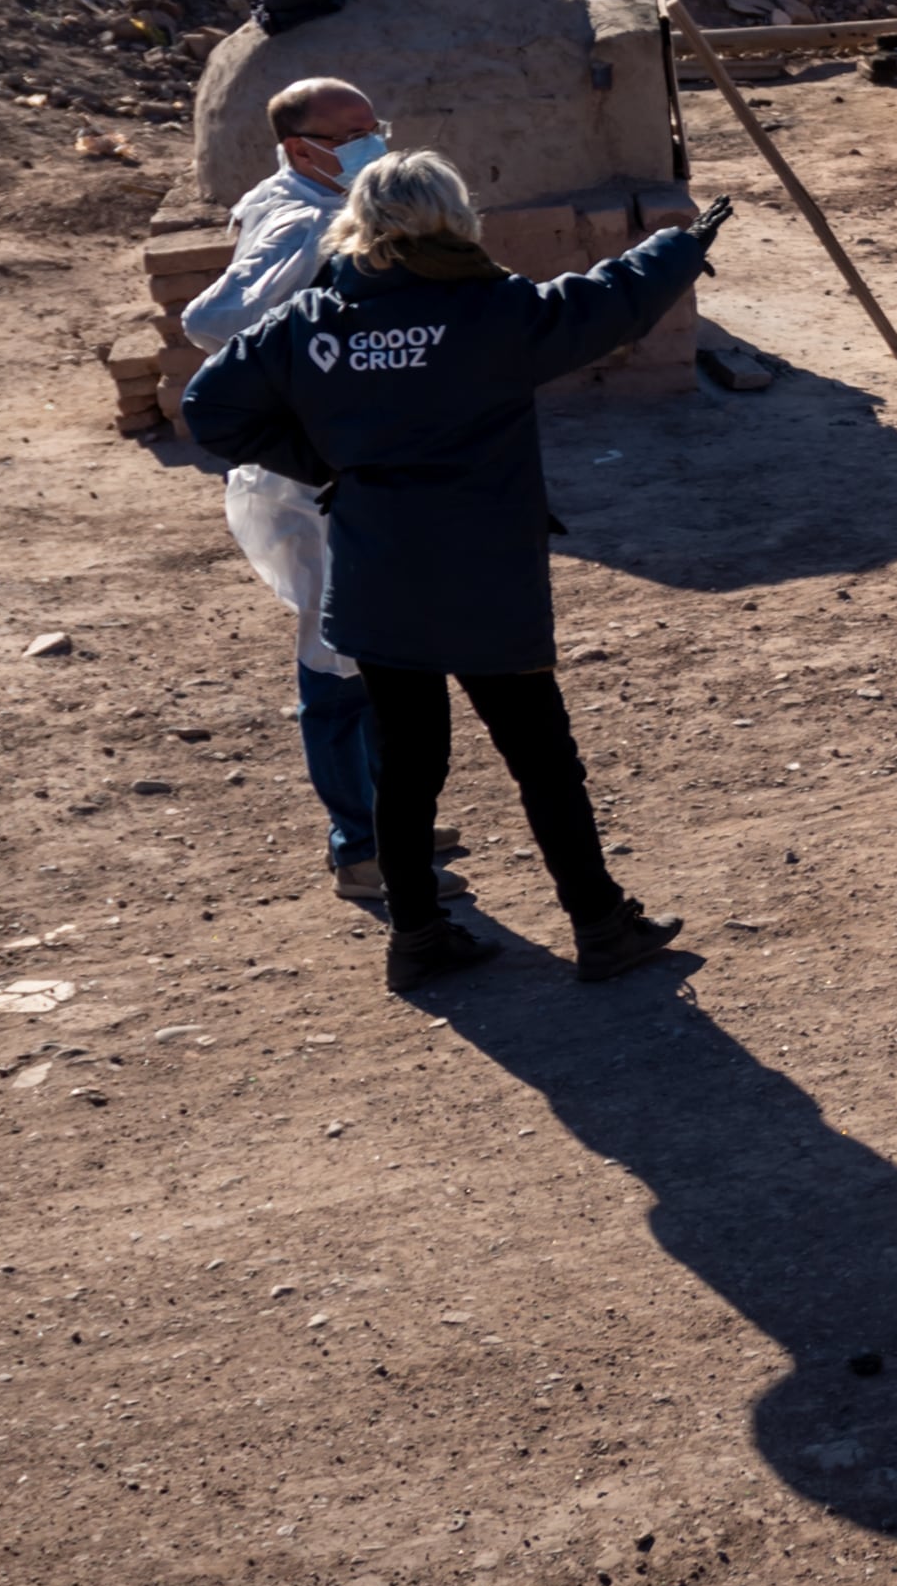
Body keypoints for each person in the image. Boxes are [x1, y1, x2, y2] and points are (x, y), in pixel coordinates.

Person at [182, 149, 722, 990]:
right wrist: (680, 246)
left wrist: (330, 462)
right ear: (454, 217)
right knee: (541, 757)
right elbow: (605, 304)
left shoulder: (316, 320)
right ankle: (600, 923)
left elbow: (209, 407)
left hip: (378, 567)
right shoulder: (488, 310)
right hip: (482, 571)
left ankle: (418, 936)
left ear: (360, 219)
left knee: (405, 763)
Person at [184, 74, 388, 896]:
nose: (373, 140)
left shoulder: (312, 194)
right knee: (335, 660)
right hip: (304, 480)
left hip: (336, 468)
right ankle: (362, 846)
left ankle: (382, 812)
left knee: (371, 651)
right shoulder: (303, 217)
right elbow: (210, 321)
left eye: (376, 123)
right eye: (354, 131)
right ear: (304, 148)